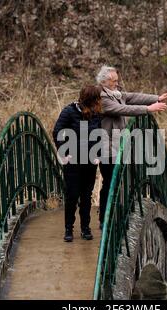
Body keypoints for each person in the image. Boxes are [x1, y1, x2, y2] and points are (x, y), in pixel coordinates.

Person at [95, 65, 167, 229]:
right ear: (104, 82)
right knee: (110, 183)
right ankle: (105, 219)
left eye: (117, 80)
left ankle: (121, 216)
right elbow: (122, 109)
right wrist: (147, 109)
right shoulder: (102, 98)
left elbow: (133, 97)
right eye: (113, 81)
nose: (117, 83)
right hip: (107, 149)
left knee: (125, 183)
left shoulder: (116, 94)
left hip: (120, 147)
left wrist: (157, 98)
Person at [52, 85, 102, 242]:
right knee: (72, 196)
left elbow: (100, 134)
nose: (99, 102)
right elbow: (57, 131)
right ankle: (68, 229)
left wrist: (98, 155)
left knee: (86, 196)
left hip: (90, 162)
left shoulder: (96, 113)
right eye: (96, 99)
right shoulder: (69, 111)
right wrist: (63, 153)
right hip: (72, 162)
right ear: (90, 99)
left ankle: (85, 229)